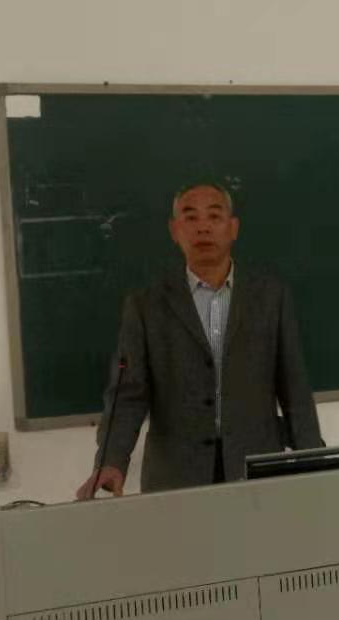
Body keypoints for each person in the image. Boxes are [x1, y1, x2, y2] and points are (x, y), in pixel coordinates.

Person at [76, 181, 323, 497]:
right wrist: (110, 462)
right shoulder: (146, 305)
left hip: (256, 469)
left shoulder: (270, 297)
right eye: (190, 217)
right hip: (175, 477)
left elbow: (294, 389)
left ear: (233, 228)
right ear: (174, 230)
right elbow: (128, 395)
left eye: (214, 216)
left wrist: (312, 459)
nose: (203, 227)